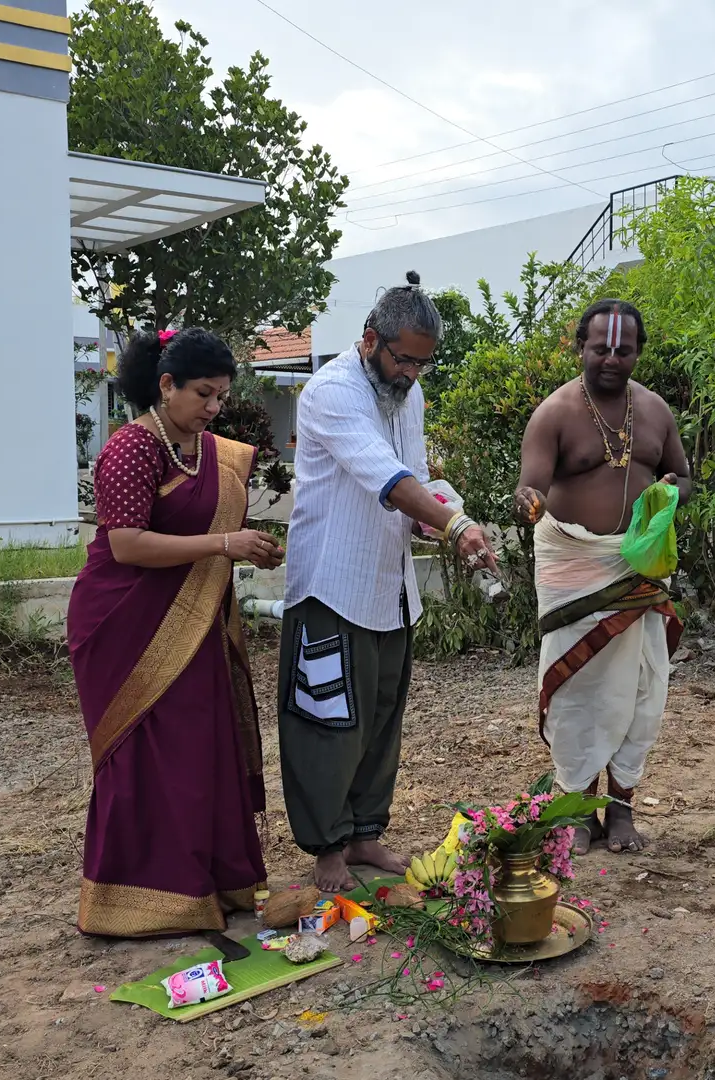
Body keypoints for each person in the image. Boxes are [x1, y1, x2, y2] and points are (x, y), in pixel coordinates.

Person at [280, 272, 497, 893]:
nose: (411, 374)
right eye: (404, 360)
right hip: (332, 585)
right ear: (371, 339)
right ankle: (327, 846)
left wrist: (448, 516)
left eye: (422, 364)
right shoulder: (332, 391)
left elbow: (416, 478)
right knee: (328, 722)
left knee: (380, 720)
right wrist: (453, 524)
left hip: (390, 589)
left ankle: (364, 834)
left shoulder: (409, 395)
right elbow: (386, 477)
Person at [68, 327, 286, 937]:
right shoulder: (131, 448)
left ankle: (211, 882)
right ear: (166, 385)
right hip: (122, 622)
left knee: (200, 747)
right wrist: (223, 544)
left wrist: (247, 548)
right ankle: (137, 900)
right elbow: (127, 544)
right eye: (203, 394)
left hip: (192, 618)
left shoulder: (209, 452)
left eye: (221, 396)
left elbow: (211, 534)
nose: (214, 407)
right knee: (143, 755)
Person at [514, 299, 690, 854]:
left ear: (637, 352)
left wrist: (669, 492)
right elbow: (531, 484)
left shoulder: (655, 410)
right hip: (574, 566)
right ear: (581, 348)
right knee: (578, 689)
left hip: (638, 568)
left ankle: (620, 809)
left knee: (640, 687)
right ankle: (576, 810)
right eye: (601, 348)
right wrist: (529, 500)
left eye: (624, 350)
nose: (612, 358)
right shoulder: (555, 413)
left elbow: (684, 476)